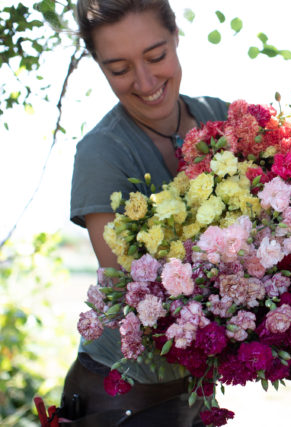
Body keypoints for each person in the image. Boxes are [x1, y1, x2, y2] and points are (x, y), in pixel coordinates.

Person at [61, 1, 228, 425]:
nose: (146, 81)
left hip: (198, 384)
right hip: (121, 398)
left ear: (175, 37)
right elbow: (131, 295)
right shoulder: (102, 153)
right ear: (99, 67)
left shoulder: (222, 119)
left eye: (156, 56)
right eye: (119, 69)